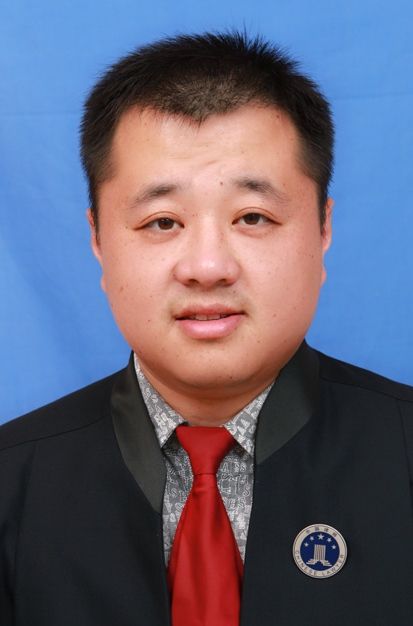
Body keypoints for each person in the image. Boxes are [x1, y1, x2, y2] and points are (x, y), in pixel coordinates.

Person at [1, 31, 412, 626]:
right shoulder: (12, 483)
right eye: (163, 222)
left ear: (323, 229)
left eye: (253, 216)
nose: (208, 266)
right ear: (98, 239)